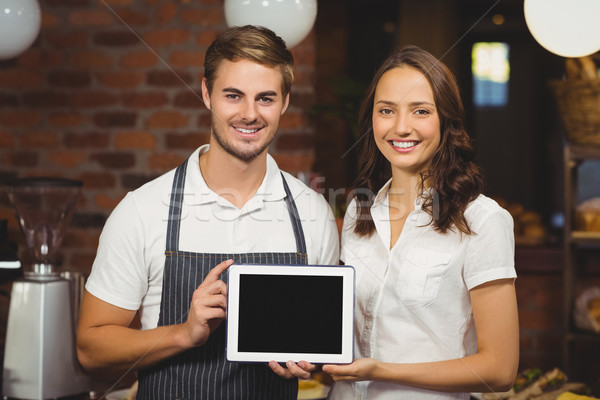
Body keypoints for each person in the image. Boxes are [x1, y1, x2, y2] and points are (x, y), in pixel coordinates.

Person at [76, 25, 339, 400]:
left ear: (285, 102)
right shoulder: (143, 209)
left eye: (265, 98)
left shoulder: (313, 214)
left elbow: (324, 351)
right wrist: (183, 333)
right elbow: (90, 349)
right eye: (233, 96)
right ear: (206, 93)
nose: (250, 114)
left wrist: (310, 362)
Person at [322, 45, 519, 400]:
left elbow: (500, 370)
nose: (401, 126)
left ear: (446, 120)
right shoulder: (358, 212)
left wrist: (380, 370)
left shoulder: (482, 220)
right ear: (371, 120)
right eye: (386, 110)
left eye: (421, 111)